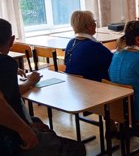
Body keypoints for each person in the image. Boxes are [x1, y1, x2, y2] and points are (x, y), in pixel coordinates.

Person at [0, 18, 86, 156]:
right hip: (10, 141)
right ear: (11, 40)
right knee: (77, 149)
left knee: (39, 122)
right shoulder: (5, 64)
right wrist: (25, 129)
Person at [65, 10, 113, 82]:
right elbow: (113, 61)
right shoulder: (94, 46)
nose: (95, 24)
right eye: (94, 22)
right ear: (88, 26)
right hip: (95, 86)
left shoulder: (70, 43)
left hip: (74, 86)